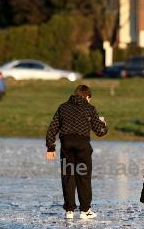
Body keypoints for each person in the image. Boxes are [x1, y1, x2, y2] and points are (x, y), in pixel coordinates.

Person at [45, 85, 108, 219]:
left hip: (66, 145)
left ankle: (69, 210)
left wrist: (50, 148)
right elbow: (99, 132)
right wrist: (104, 125)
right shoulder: (89, 108)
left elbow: (53, 128)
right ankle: (85, 210)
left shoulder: (63, 107)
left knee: (68, 176)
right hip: (82, 145)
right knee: (83, 177)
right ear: (87, 96)